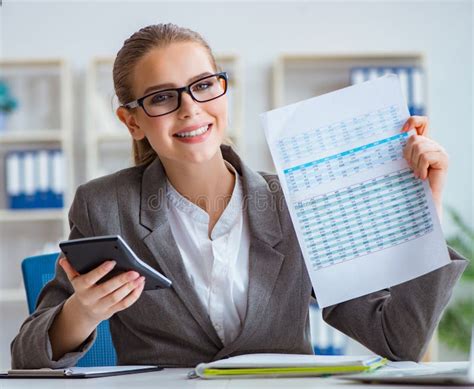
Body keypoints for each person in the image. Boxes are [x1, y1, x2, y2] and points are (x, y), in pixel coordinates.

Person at [11, 23, 468, 369]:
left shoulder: (294, 201)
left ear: (221, 89)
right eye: (161, 97)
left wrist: (421, 211)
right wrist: (81, 313)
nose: (190, 108)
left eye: (203, 85)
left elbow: (396, 340)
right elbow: (26, 356)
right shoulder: (104, 206)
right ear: (133, 121)